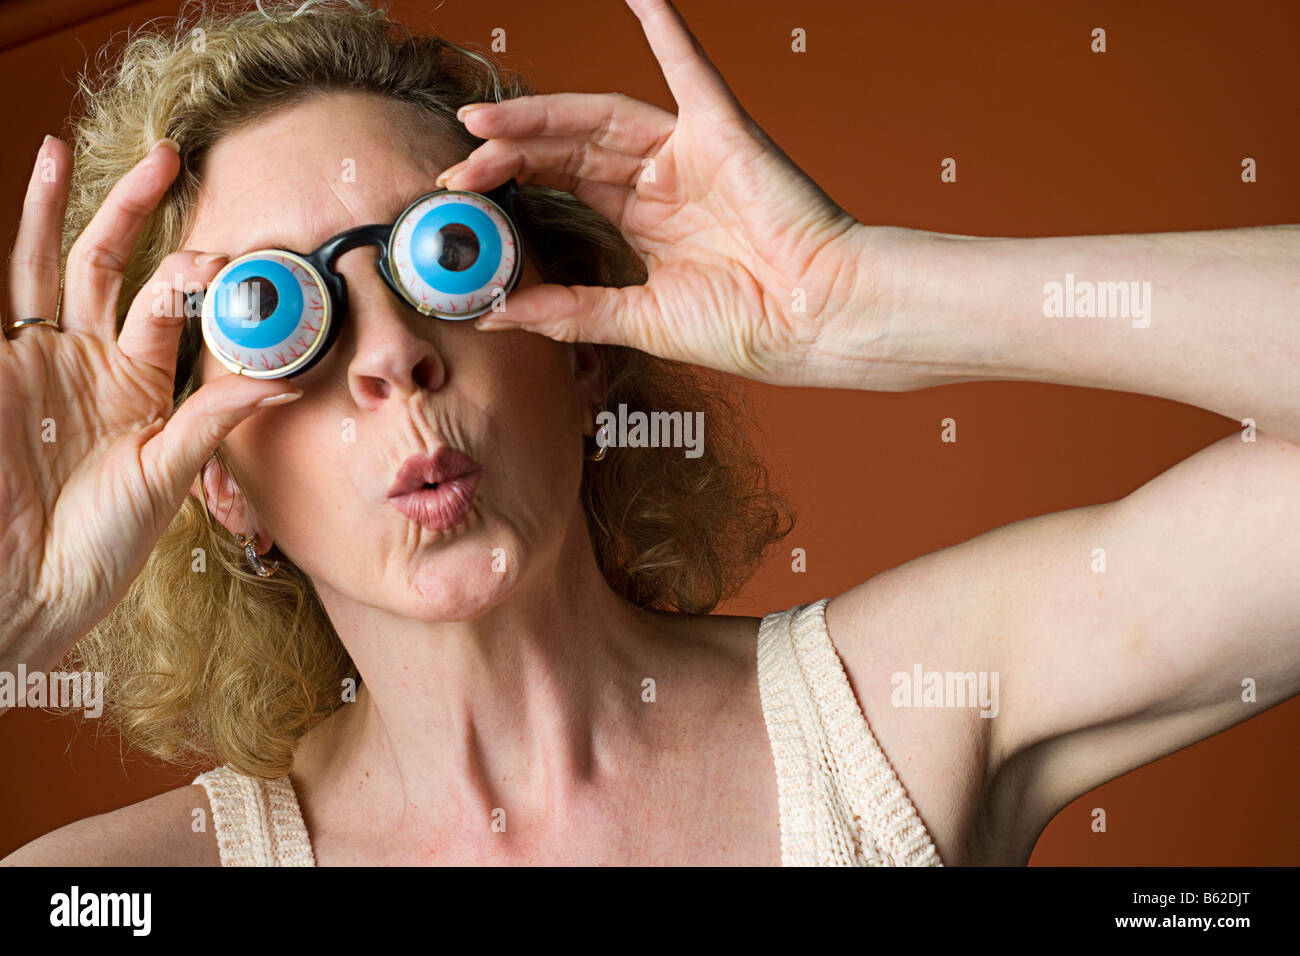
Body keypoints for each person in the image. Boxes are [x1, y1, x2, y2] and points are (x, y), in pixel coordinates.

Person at [1, 0, 1297, 867]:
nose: (391, 352)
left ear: (588, 349)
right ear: (217, 483)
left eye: (445, 258)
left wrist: (861, 293)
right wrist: (12, 610)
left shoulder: (895, 716)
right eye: (275, 317)